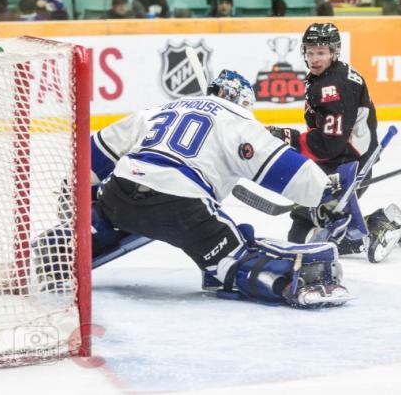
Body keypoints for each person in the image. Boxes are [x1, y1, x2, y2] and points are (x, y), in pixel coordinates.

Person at [57, 69, 351, 308]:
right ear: (243, 101)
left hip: (120, 191)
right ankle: (294, 279)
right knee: (234, 259)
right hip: (182, 205)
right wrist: (325, 191)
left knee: (107, 211)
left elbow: (93, 156)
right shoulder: (238, 121)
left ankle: (57, 248)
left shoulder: (159, 109)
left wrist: (75, 192)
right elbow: (287, 169)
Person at [267, 23, 401, 263]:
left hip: (348, 167)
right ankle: (352, 222)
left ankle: (381, 224)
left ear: (334, 52)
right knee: (305, 228)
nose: (314, 58)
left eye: (321, 52)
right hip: (346, 160)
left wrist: (289, 137)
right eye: (310, 52)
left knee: (306, 235)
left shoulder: (331, 86)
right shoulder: (330, 75)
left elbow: (329, 145)